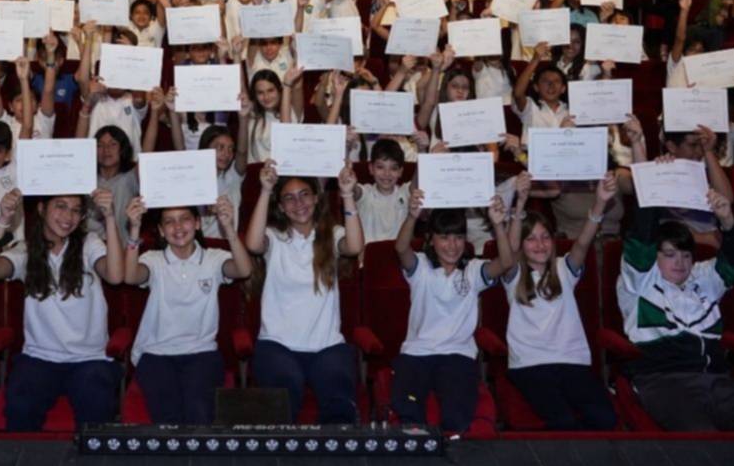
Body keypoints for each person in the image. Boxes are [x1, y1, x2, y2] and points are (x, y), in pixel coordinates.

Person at [616, 183, 734, 431]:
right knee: (703, 440)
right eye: (670, 254)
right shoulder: (641, 280)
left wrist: (728, 221)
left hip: (716, 380)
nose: (680, 263)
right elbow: (641, 236)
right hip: (663, 381)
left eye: (685, 255)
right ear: (655, 256)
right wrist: (652, 182)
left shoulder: (702, 276)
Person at [0, 186, 126, 430]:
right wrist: (3, 219)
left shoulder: (89, 243)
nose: (68, 217)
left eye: (76, 210)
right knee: (20, 408)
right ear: (42, 209)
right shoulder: (25, 249)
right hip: (39, 357)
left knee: (97, 408)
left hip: (89, 359)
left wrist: (109, 217)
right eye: (61, 206)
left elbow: (116, 276)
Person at [243, 161, 365, 423]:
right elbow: (253, 244)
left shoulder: (332, 235)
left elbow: (354, 247)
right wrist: (265, 190)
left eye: (304, 194)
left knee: (340, 402)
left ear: (317, 197)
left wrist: (346, 195)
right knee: (285, 391)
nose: (298, 203)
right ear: (281, 207)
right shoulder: (275, 237)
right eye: (289, 198)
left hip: (326, 345)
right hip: (277, 344)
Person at [388, 185, 514, 432]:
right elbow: (401, 248)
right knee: (409, 412)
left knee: (457, 417)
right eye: (444, 237)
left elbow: (507, 262)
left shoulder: (473, 270)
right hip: (417, 353)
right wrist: (413, 215)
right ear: (431, 240)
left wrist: (498, 224)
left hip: (458, 355)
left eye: (458, 237)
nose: (452, 245)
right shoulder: (421, 267)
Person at [120, 195, 253, 424]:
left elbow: (243, 270)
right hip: (156, 354)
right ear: (161, 230)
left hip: (202, 352)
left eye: (185, 219)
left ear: (198, 223)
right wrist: (134, 230)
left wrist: (229, 228)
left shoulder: (213, 258)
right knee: (168, 417)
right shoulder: (153, 259)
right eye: (169, 222)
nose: (178, 227)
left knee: (199, 414)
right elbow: (131, 277)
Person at [502, 174, 619, 429]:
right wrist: (520, 204)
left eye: (545, 237)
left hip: (571, 361)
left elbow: (583, 242)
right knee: (563, 422)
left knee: (605, 419)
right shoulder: (514, 275)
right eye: (531, 238)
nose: (540, 244)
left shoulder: (563, 269)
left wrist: (599, 203)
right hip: (530, 364)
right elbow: (508, 254)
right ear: (522, 245)